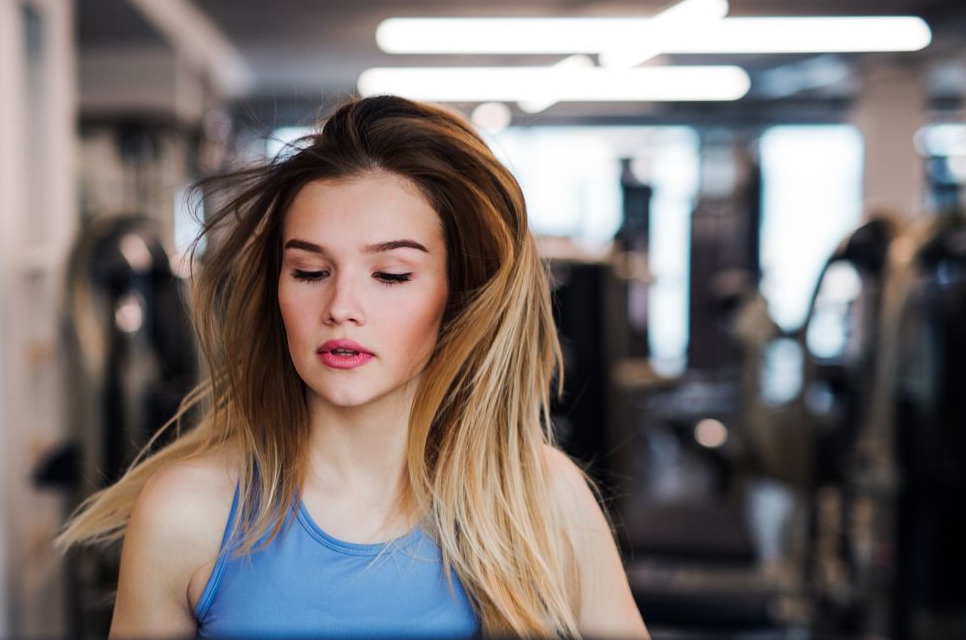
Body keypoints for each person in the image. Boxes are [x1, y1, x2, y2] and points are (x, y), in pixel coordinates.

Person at [54, 95, 650, 639]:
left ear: (458, 295)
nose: (340, 308)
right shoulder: (188, 512)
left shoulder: (541, 500)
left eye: (390, 275)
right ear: (276, 289)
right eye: (310, 272)